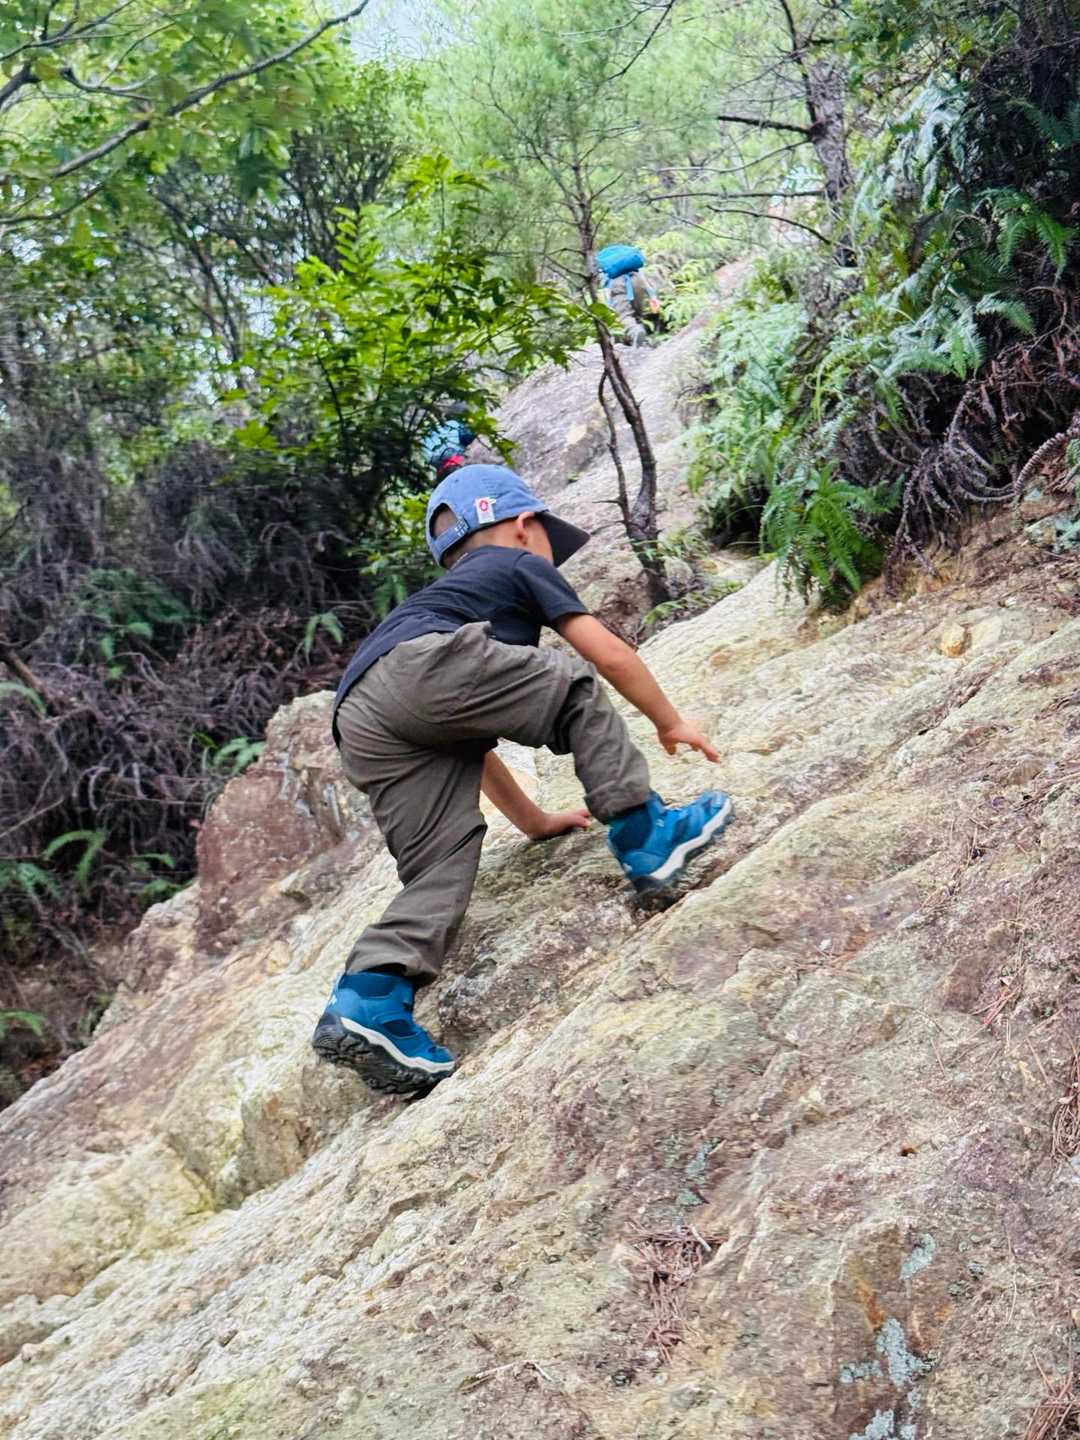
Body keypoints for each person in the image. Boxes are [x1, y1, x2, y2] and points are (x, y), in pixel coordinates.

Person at [312, 464, 734, 1097]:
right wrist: (670, 722)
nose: (550, 557)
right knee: (572, 685)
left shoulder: (443, 605)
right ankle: (648, 835)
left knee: (440, 863)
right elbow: (605, 654)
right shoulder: (516, 563)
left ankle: (368, 999)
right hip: (418, 671)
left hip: (359, 712)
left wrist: (534, 822)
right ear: (524, 526)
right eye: (547, 542)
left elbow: (466, 745)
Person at [597, 243, 663, 348]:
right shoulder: (634, 268)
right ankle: (641, 340)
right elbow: (646, 282)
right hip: (638, 281)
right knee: (637, 315)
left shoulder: (608, 271)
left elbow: (606, 289)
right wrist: (652, 296)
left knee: (624, 316)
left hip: (619, 284)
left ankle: (635, 332)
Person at [421, 403, 476, 481]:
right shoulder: (457, 426)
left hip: (434, 462)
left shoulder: (435, 428)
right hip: (452, 459)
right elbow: (468, 437)